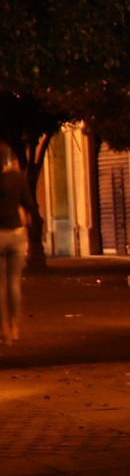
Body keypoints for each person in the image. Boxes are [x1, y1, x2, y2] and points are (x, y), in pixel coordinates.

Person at [0, 141, 31, 345]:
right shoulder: (17, 178)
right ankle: (15, 326)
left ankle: (4, 331)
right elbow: (28, 203)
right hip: (17, 233)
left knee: (0, 286)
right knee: (13, 283)